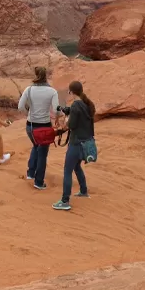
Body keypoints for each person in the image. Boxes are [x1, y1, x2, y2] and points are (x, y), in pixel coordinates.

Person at [52, 81, 95, 211]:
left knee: (67, 170)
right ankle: (83, 190)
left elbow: (71, 125)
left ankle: (65, 201)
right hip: (85, 142)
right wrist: (68, 111)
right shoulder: (87, 104)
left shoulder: (76, 105)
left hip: (76, 143)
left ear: (71, 92)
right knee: (76, 166)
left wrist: (64, 122)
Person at [18, 66, 60, 190]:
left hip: (30, 126)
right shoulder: (52, 91)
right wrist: (57, 118)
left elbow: (20, 106)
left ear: (36, 75)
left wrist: (29, 114)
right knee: (42, 153)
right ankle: (39, 182)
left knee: (35, 146)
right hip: (44, 127)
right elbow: (57, 108)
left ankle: (31, 173)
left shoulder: (29, 89)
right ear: (45, 76)